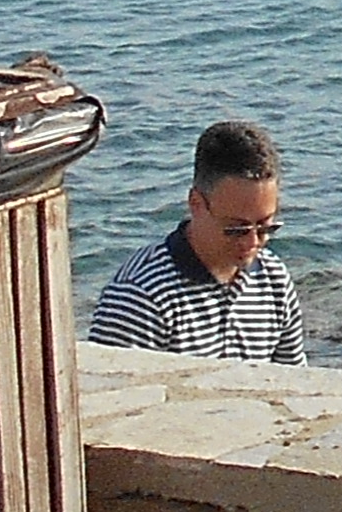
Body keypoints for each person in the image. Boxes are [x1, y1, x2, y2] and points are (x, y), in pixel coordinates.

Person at [90, 120, 308, 362]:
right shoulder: (140, 297)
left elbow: (294, 375)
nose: (252, 242)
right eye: (236, 229)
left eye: (266, 227)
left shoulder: (274, 279)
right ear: (196, 204)